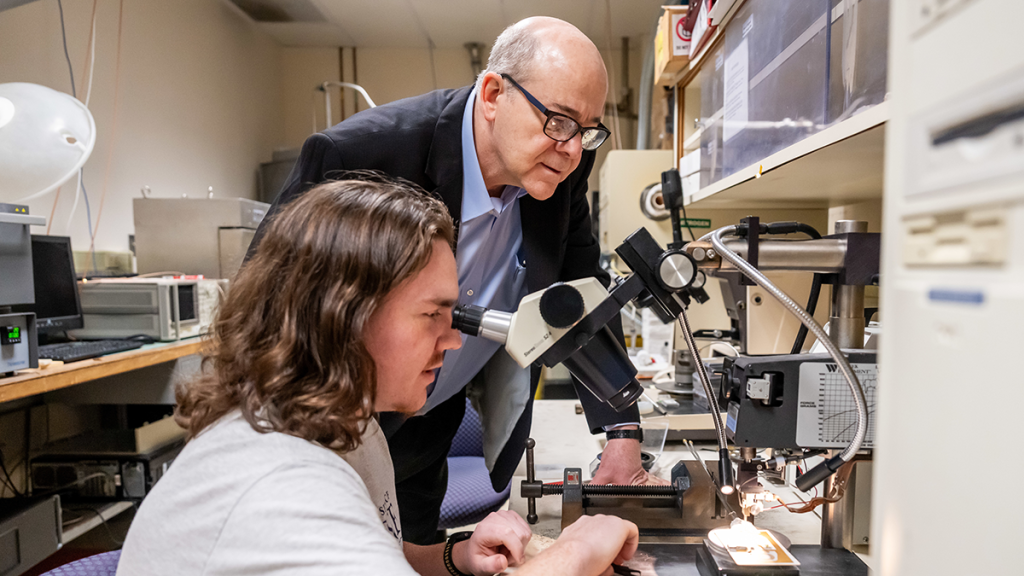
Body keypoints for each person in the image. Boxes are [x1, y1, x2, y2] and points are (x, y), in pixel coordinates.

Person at [252, 16, 664, 545]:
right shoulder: (360, 157)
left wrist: (623, 433)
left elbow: (578, 298)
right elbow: (266, 317)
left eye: (588, 132)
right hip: (325, 436)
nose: (572, 149)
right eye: (559, 121)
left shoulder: (559, 168)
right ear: (493, 93)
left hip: (428, 431)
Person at [117, 179, 639, 576]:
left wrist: (456, 556)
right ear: (345, 315)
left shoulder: (348, 424)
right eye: (432, 315)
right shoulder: (278, 482)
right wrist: (574, 551)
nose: (454, 341)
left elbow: (383, 550)